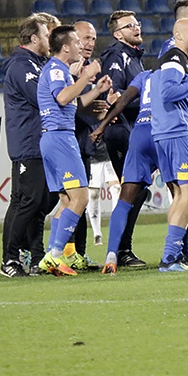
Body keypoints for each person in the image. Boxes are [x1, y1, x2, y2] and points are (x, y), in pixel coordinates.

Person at [36, 25, 112, 275]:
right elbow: (62, 98)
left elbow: (74, 102)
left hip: (52, 138)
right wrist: (84, 76)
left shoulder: (58, 70)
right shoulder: (57, 69)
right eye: (77, 42)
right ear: (66, 47)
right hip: (60, 138)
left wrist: (96, 90)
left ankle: (52, 255)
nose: (82, 46)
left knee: (66, 201)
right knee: (80, 198)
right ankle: (55, 255)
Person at [152, 18, 188, 272]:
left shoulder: (178, 60)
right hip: (176, 132)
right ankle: (169, 257)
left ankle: (174, 257)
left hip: (165, 132)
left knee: (180, 195)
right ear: (177, 35)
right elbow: (167, 92)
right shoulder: (175, 58)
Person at [0, 15, 52, 277]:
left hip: (37, 143)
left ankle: (34, 255)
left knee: (38, 201)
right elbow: (41, 97)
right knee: (26, 201)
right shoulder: (22, 66)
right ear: (34, 38)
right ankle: (9, 259)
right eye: (45, 35)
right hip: (28, 143)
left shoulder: (35, 64)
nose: (48, 40)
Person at [90, 68, 157, 274]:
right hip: (165, 132)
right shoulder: (179, 73)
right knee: (183, 193)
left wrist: (102, 126)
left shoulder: (144, 75)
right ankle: (180, 254)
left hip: (139, 134)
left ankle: (112, 254)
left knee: (126, 196)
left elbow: (123, 100)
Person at [99, 10, 148, 267]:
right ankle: (121, 250)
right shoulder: (117, 54)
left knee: (138, 190)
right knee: (133, 189)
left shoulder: (134, 56)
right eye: (130, 26)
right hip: (121, 131)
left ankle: (121, 248)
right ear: (118, 34)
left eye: (137, 24)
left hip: (132, 129)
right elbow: (116, 94)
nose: (136, 28)